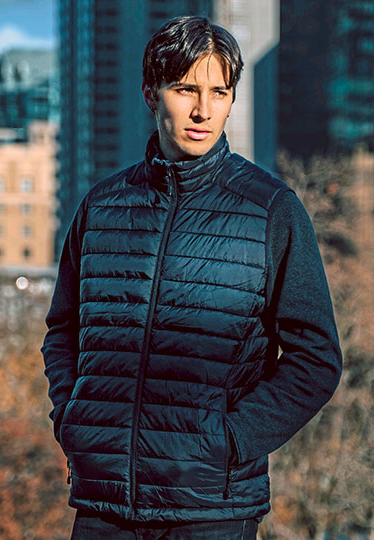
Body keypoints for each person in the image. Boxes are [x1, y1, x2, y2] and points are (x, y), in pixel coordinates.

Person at [42, 15, 342, 540]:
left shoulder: (271, 211)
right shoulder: (102, 206)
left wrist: (229, 441)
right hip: (103, 505)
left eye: (219, 92)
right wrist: (73, 421)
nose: (204, 110)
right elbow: (63, 330)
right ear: (150, 94)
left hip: (211, 509)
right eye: (185, 90)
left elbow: (315, 359)